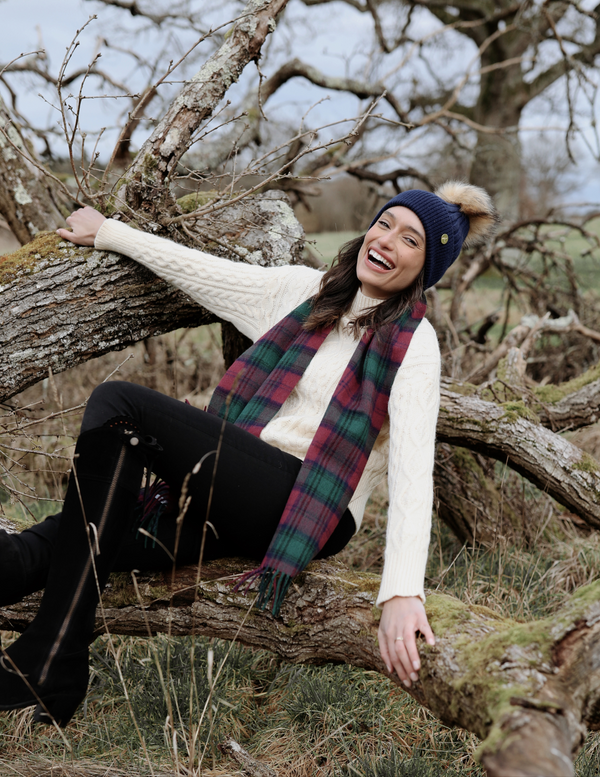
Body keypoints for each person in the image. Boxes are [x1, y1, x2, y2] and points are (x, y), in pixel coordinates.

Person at [0, 181, 496, 727]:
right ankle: (47, 652)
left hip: (309, 506)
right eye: (386, 224)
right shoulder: (303, 292)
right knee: (48, 544)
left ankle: (54, 657)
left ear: (426, 268)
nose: (387, 242)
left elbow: (411, 471)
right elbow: (198, 270)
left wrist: (402, 591)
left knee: (121, 405)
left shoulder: (414, 344)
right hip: (231, 488)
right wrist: (112, 234)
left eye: (411, 240)